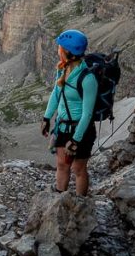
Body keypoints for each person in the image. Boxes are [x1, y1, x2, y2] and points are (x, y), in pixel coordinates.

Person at [40, 29, 98, 196]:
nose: (58, 50)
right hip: (63, 127)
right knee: (62, 164)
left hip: (82, 131)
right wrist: (46, 117)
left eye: (60, 47)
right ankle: (59, 198)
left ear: (68, 52)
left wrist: (76, 139)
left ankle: (81, 204)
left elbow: (87, 114)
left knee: (78, 169)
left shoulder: (88, 79)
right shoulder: (62, 69)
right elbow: (56, 94)